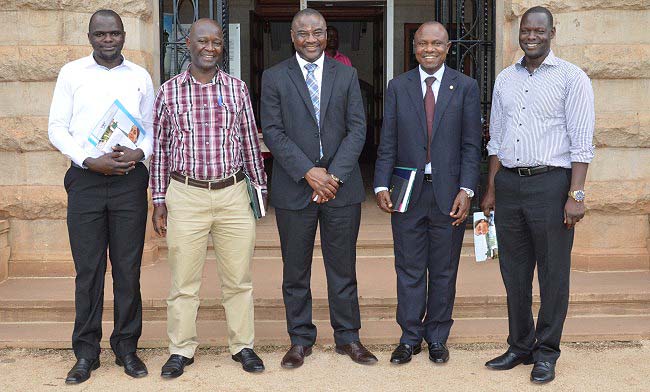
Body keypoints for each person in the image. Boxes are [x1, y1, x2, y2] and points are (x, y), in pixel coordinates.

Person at [481, 6, 595, 384]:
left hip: (552, 185)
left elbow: (582, 142)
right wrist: (493, 187)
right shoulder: (504, 79)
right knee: (513, 273)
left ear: (552, 33)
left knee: (552, 274)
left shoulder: (571, 78)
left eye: (538, 31)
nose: (531, 36)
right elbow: (495, 138)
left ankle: (547, 351)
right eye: (526, 30)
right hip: (510, 184)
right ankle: (520, 345)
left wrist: (575, 194)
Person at [149, 18, 268, 378]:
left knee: (239, 280)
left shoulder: (237, 89)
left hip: (233, 194)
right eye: (203, 41)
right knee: (184, 283)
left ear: (221, 47)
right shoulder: (168, 92)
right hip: (185, 195)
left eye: (216, 42)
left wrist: (259, 192)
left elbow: (249, 143)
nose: (210, 47)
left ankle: (243, 346)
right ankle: (181, 350)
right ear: (189, 43)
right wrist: (158, 200)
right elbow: (160, 150)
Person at [261, 8, 376, 368]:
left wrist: (333, 177)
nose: (311, 39)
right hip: (295, 187)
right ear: (292, 36)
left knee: (342, 268)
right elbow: (273, 132)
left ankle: (349, 338)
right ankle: (300, 340)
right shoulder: (274, 76)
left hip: (342, 188)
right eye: (303, 33)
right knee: (295, 270)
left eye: (318, 33)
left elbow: (358, 129)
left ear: (328, 35)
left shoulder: (347, 74)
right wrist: (309, 172)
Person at [48, 9, 153, 384]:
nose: (108, 40)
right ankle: (86, 353)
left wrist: (140, 154)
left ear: (124, 35)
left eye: (114, 34)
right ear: (90, 36)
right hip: (85, 181)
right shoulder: (71, 73)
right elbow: (57, 128)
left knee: (128, 269)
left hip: (128, 182)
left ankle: (127, 347)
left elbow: (151, 129)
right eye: (100, 34)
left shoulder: (140, 75)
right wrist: (89, 160)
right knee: (88, 271)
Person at [373, 21, 482, 365]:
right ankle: (409, 338)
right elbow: (387, 139)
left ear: (448, 48)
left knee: (444, 270)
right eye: (423, 43)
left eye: (436, 43)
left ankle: (437, 337)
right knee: (408, 269)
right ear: (414, 47)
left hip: (449, 195)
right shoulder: (398, 86)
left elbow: (470, 145)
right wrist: (379, 183)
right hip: (408, 194)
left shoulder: (465, 86)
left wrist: (467, 189)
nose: (429, 49)